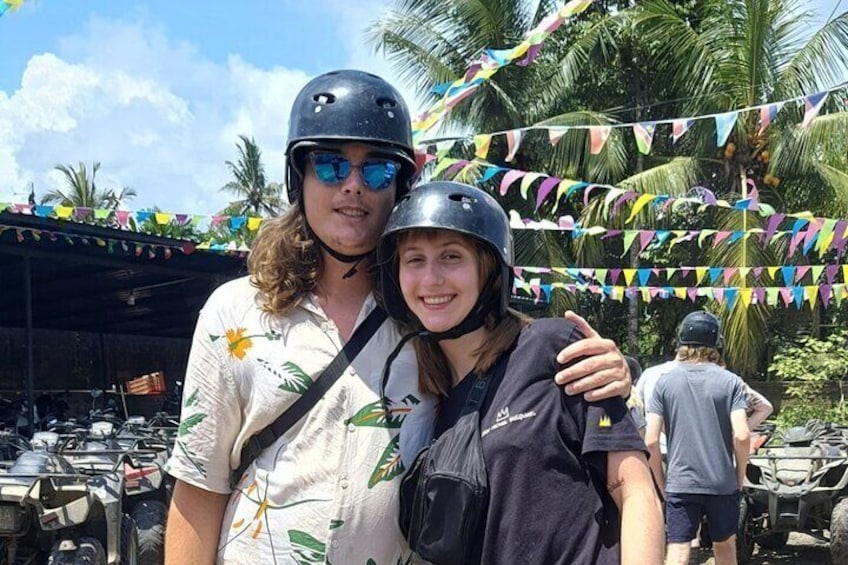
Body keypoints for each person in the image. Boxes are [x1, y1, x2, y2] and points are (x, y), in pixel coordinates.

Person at [164, 70, 633, 565]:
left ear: (400, 187)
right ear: (297, 177)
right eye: (328, 165)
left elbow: (517, 365)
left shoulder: (428, 318)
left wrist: (614, 370)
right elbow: (199, 487)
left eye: (377, 170)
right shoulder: (235, 311)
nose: (352, 186)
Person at [377, 180, 664, 564]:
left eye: (451, 257)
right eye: (414, 260)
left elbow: (633, 489)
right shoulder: (426, 405)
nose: (431, 279)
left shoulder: (555, 349)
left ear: (489, 270)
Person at [645, 311, 751, 565]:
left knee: (679, 549)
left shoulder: (664, 383)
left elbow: (650, 440)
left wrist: (662, 484)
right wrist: (738, 477)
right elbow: (742, 435)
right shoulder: (732, 382)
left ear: (681, 342)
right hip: (721, 482)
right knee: (725, 545)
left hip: (681, 481)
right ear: (716, 344)